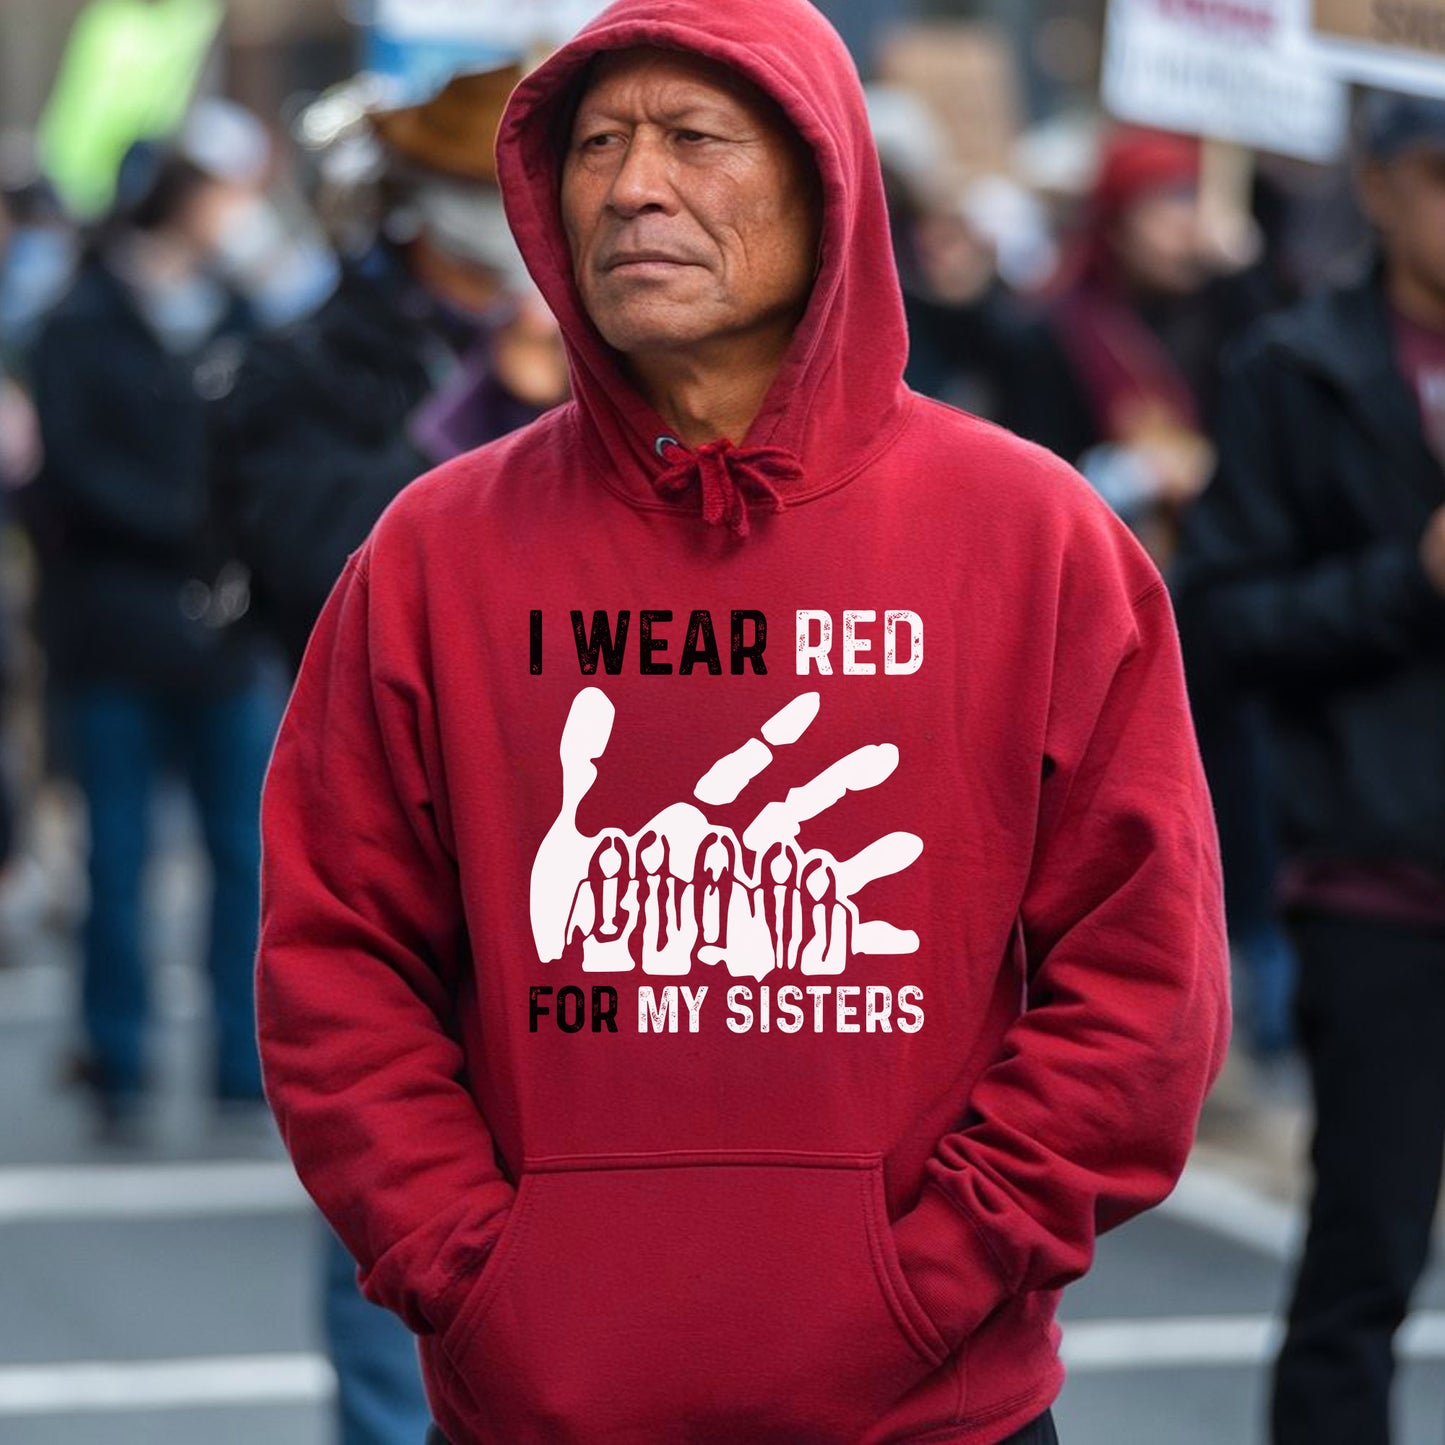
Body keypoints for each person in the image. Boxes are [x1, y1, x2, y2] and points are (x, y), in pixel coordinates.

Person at [256, 2, 1231, 1442]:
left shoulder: (1032, 537)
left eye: (694, 139)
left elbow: (1144, 979)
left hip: (932, 1411)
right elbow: (337, 962)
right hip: (543, 1404)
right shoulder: (432, 553)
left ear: (825, 179)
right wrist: (473, 1269)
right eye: (595, 144)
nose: (633, 185)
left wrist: (939, 1269)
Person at [1176, 91, 1445, 1445]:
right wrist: (1411, 580)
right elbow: (1222, 620)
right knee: (1363, 1258)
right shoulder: (1297, 364)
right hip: (1380, 876)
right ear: (1380, 185)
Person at [27, 135, 282, 1139]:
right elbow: (71, 473)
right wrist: (196, 526)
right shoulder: (77, 323)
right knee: (119, 852)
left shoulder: (243, 312)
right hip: (115, 627)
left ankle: (238, 1058)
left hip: (225, 635)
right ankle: (118, 1059)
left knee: (241, 853)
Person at [209, 63, 563, 673]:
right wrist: (482, 405)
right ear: (427, 199)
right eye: (493, 189)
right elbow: (321, 567)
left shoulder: (575, 347)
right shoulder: (308, 361)